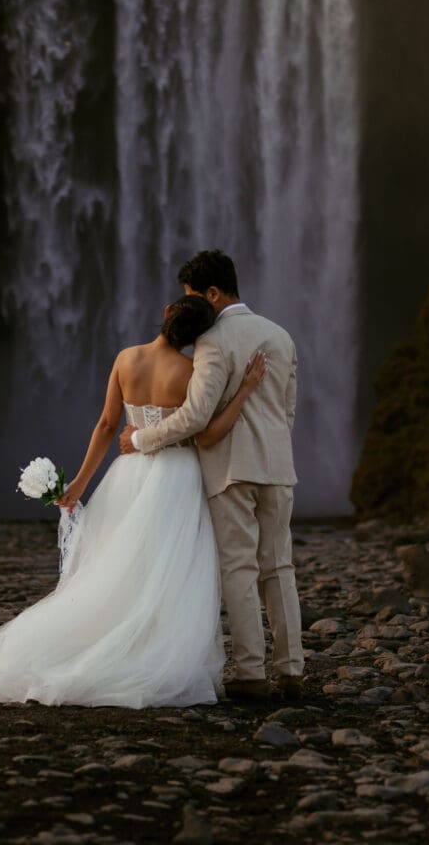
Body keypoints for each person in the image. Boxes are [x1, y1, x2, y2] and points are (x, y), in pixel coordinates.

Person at [0, 295, 266, 709]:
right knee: (169, 570)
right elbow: (207, 435)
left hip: (128, 475)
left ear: (165, 315)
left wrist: (81, 483)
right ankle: (152, 649)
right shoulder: (192, 372)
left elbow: (107, 424)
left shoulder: (126, 359)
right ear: (199, 336)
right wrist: (245, 389)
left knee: (121, 564)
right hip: (176, 475)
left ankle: (110, 641)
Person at [119, 250, 304, 702]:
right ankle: (292, 668)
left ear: (213, 293)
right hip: (278, 468)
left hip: (230, 469)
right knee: (279, 566)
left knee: (239, 568)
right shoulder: (281, 336)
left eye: (193, 297)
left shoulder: (213, 341)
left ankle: (250, 673)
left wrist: (142, 440)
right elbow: (288, 411)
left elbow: (196, 416)